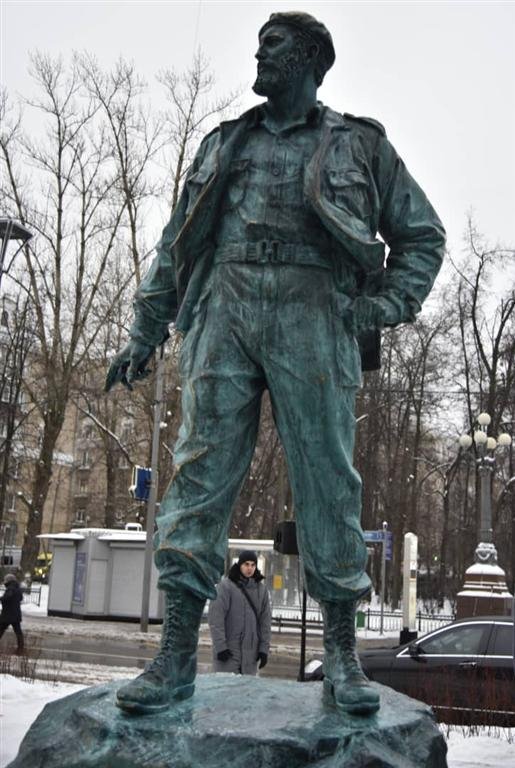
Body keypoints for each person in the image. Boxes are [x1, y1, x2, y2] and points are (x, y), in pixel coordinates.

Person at [107, 11, 445, 716]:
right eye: (260, 44)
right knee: (198, 472)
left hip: (314, 310)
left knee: (326, 477)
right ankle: (173, 658)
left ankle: (343, 660)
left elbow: (421, 236)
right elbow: (176, 247)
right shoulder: (225, 143)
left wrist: (381, 307)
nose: (260, 53)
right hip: (223, 306)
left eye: (276, 45)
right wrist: (145, 331)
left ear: (313, 61)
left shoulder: (357, 146)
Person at [208, 550, 271, 676]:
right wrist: (221, 647)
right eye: (246, 564)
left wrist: (264, 650)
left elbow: (265, 622)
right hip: (229, 653)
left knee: (245, 693)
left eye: (253, 565)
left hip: (250, 656)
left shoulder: (261, 590)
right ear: (239, 565)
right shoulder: (225, 587)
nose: (250, 568)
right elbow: (216, 619)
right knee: (228, 692)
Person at [0, 573, 24, 654]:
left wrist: (2, 599)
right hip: (16, 614)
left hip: (7, 614)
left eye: (6, 581)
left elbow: (7, 598)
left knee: (0, 629)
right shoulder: (17, 588)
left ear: (9, 581)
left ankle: (20, 648)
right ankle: (21, 648)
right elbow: (20, 598)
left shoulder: (10, 588)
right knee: (18, 632)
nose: (4, 583)